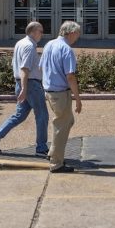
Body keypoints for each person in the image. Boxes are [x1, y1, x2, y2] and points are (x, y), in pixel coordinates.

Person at [0, 22, 48, 157]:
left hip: (21, 83)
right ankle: (41, 148)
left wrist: (22, 87)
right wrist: (25, 89)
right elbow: (24, 69)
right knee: (42, 115)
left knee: (19, 115)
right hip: (30, 85)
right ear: (32, 31)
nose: (42, 34)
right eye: (40, 31)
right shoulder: (29, 46)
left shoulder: (20, 43)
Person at [41, 20, 83, 173]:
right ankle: (56, 163)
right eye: (77, 33)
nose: (78, 37)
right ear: (71, 33)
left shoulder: (49, 44)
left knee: (67, 121)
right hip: (60, 93)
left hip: (50, 91)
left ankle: (53, 152)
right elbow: (70, 76)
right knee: (61, 126)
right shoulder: (66, 49)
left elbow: (42, 67)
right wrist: (78, 99)